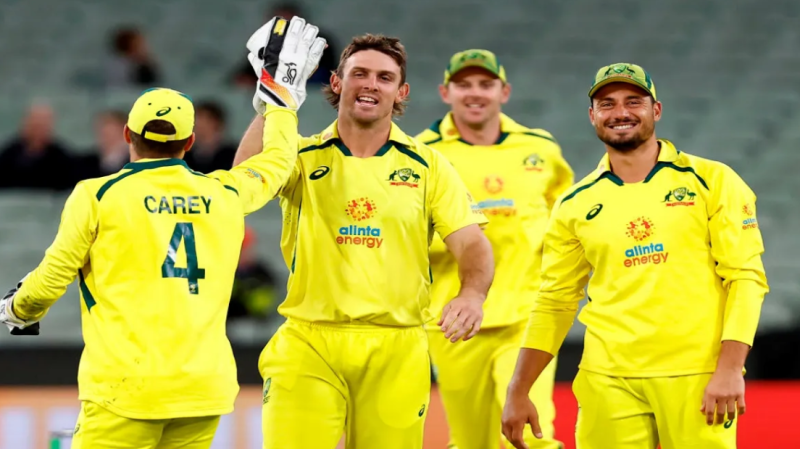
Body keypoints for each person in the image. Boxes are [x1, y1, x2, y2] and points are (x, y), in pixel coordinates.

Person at [0, 17, 324, 446]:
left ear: (127, 134)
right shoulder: (224, 193)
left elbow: (54, 276)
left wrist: (18, 310)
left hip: (124, 391)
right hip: (202, 391)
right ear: (189, 143)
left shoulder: (98, 195)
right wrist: (280, 101)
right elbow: (277, 163)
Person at [237, 21, 495, 449]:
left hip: (398, 346)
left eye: (384, 77)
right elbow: (243, 178)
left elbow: (471, 243)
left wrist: (472, 295)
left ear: (401, 92)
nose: (371, 84)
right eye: (359, 73)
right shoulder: (299, 154)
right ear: (337, 83)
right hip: (308, 341)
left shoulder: (429, 166)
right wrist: (273, 100)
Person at [501, 63, 769, 449]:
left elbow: (746, 278)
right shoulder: (574, 203)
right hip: (606, 377)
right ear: (592, 116)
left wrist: (730, 368)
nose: (620, 112)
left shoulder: (713, 180)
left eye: (633, 101)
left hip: (697, 373)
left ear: (656, 110)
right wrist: (519, 388)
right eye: (607, 104)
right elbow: (555, 301)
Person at [415, 49, 572, 449]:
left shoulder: (540, 149)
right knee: (471, 442)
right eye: (463, 84)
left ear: (504, 92)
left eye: (486, 84)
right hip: (453, 321)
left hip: (528, 315)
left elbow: (566, 217)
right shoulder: (422, 154)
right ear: (445, 92)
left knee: (533, 436)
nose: (475, 93)